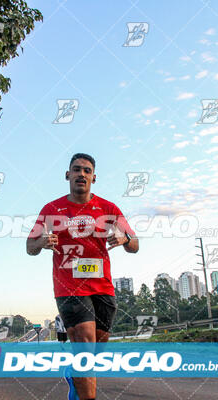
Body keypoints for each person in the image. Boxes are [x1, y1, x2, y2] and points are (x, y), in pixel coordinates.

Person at [27, 153, 138, 400]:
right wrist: (41, 241)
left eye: (87, 171)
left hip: (102, 286)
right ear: (68, 175)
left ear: (94, 178)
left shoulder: (109, 208)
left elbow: (135, 244)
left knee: (96, 349)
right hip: (69, 286)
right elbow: (29, 246)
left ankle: (73, 373)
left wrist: (124, 238)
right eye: (76, 170)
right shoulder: (51, 209)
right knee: (86, 346)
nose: (82, 174)